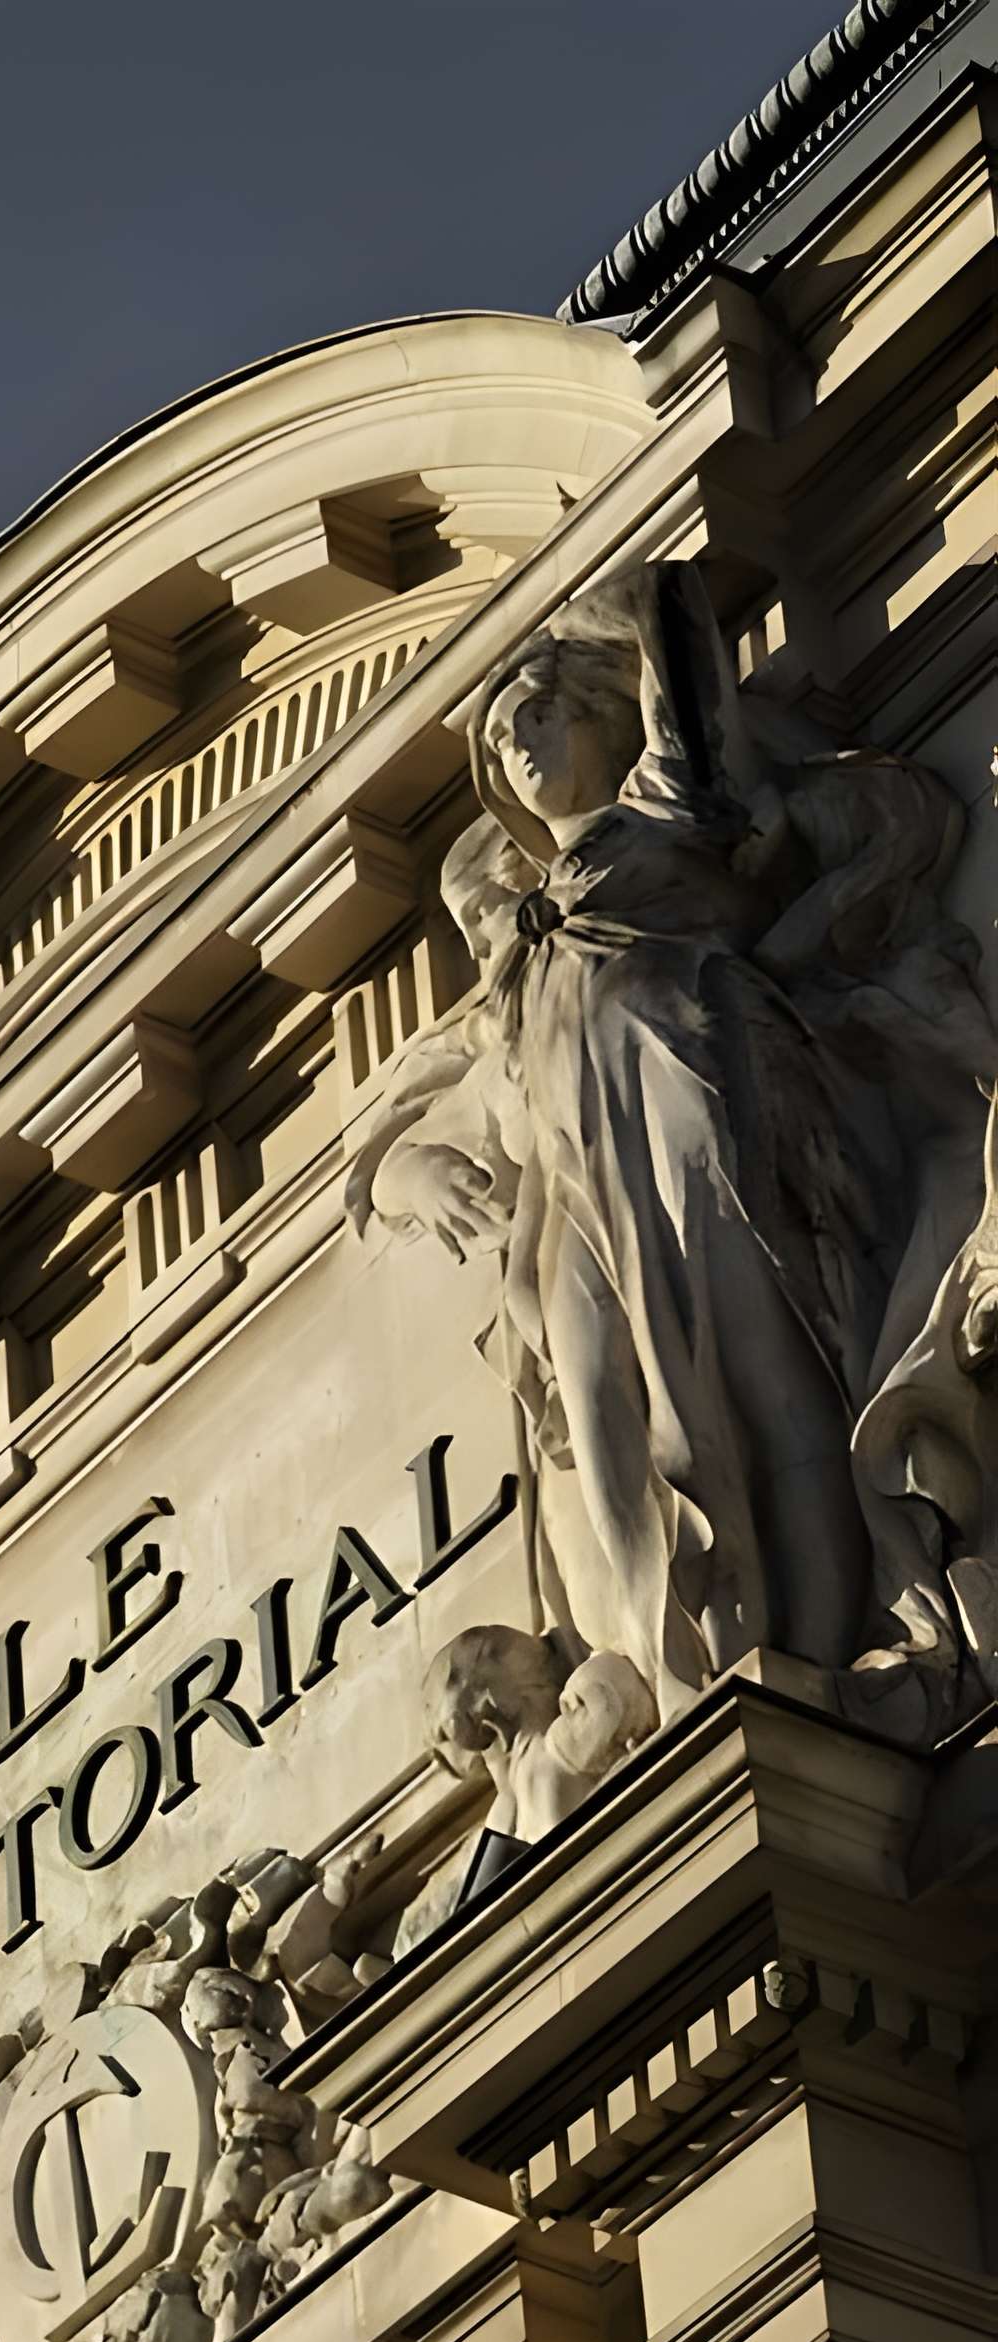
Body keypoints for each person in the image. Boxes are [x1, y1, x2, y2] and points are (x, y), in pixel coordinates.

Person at [353, 565, 998, 1709]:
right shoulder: (517, 929)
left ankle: (820, 1635)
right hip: (571, 1197)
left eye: (537, 712)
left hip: (697, 1108)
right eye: (501, 740)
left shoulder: (664, 808)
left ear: (603, 714)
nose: (518, 747)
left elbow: (674, 624)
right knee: (608, 1421)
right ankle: (683, 1670)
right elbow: (407, 1109)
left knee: (753, 1390)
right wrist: (408, 1166)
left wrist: (601, 599)